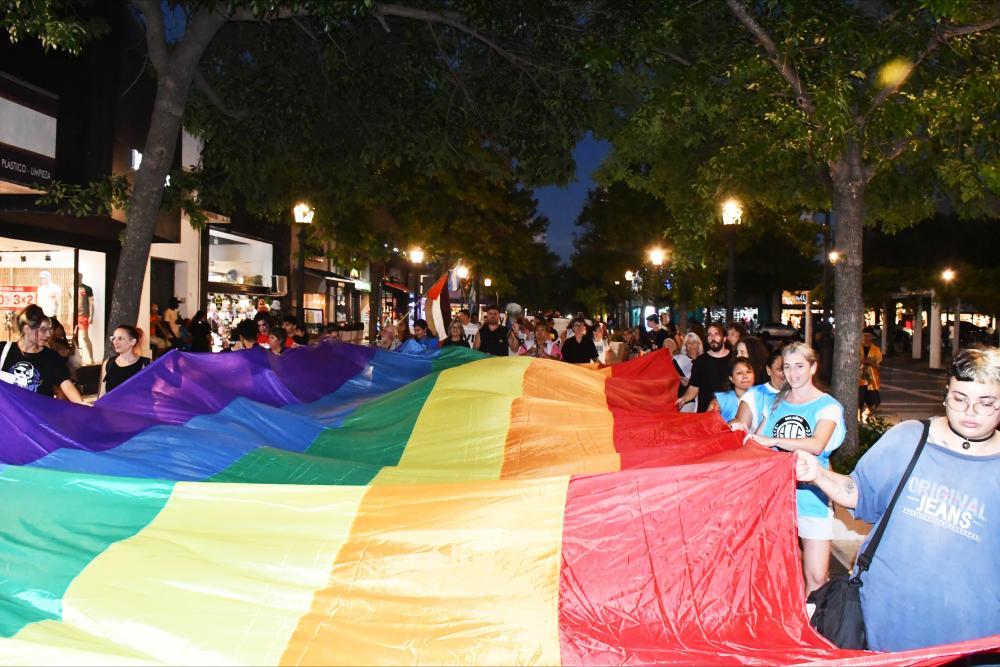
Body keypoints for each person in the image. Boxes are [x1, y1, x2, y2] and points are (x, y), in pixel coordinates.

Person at [795, 347, 1000, 652]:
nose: (970, 412)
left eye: (986, 403)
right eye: (960, 399)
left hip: (973, 638)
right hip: (885, 622)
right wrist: (817, 474)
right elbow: (859, 492)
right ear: (945, 395)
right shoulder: (910, 438)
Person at [751, 342, 844, 596]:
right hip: (775, 498)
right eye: (787, 367)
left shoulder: (828, 406)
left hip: (812, 496)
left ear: (813, 368)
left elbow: (817, 444)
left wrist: (775, 440)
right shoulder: (774, 403)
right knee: (778, 570)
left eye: (800, 366)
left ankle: (815, 618)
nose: (792, 373)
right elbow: (756, 445)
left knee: (816, 576)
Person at [0, 304, 83, 403]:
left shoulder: (51, 356)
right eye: (43, 330)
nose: (48, 334)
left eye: (49, 330)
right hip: (8, 412)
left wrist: (82, 404)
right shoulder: (3, 350)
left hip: (37, 412)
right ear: (27, 329)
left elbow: (66, 384)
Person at [676, 322, 732, 412]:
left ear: (724, 338)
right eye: (710, 335)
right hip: (705, 412)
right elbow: (693, 388)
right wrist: (683, 399)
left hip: (728, 411)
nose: (712, 338)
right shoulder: (700, 361)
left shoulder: (734, 359)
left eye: (716, 334)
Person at [730, 349, 786, 432]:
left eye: (789, 368)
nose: (786, 373)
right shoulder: (753, 395)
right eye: (781, 369)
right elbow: (740, 433)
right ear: (769, 370)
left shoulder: (802, 394)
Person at [99, 325, 151, 395]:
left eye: (120, 338)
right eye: (113, 338)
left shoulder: (145, 363)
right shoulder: (108, 363)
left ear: (132, 341)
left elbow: (149, 393)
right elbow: (103, 394)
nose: (115, 342)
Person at [708, 356, 755, 422]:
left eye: (748, 372)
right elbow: (708, 424)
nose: (745, 376)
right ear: (731, 378)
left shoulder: (762, 397)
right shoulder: (720, 400)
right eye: (739, 373)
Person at [674, 332, 703, 413]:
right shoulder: (678, 359)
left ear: (699, 344)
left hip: (702, 398)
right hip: (685, 398)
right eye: (688, 343)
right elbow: (670, 376)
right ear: (685, 346)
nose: (691, 346)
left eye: (694, 343)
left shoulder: (705, 359)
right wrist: (679, 379)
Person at [859, 325, 883, 420]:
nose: (866, 338)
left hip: (872, 379)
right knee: (859, 400)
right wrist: (861, 361)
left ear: (872, 336)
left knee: (875, 401)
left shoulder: (876, 349)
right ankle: (858, 419)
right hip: (859, 378)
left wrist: (871, 362)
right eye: (865, 335)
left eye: (868, 336)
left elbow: (878, 365)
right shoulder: (858, 347)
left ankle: (865, 414)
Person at [74, 272, 95, 365]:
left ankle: (91, 358)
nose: (77, 277)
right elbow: (70, 303)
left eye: (79, 276)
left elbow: (91, 303)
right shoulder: (71, 288)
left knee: (84, 337)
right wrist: (69, 317)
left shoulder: (87, 288)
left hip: (83, 316)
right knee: (75, 338)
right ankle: (77, 359)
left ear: (81, 277)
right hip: (74, 316)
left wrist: (91, 316)